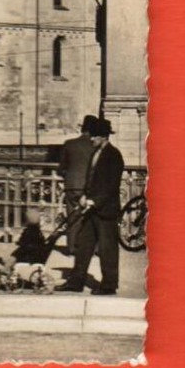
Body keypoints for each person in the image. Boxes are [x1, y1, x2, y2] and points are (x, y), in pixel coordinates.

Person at [58, 117, 125, 295]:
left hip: (105, 210)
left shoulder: (113, 155)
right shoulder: (96, 153)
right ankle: (76, 282)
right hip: (92, 208)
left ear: (103, 137)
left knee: (107, 248)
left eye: (94, 137)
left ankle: (109, 285)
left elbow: (111, 185)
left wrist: (94, 200)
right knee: (83, 245)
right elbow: (91, 180)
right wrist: (85, 196)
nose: (91, 139)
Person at [58, 114, 98, 254]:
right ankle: (89, 248)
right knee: (90, 218)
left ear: (82, 128)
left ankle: (71, 248)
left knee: (72, 217)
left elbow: (61, 168)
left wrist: (69, 177)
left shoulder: (69, 144)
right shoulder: (95, 146)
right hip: (89, 186)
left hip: (72, 185)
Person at [0, 208, 47, 281]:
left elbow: (22, 241)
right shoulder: (38, 232)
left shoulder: (28, 231)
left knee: (16, 255)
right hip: (37, 254)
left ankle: (6, 267)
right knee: (17, 253)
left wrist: (19, 242)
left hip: (29, 255)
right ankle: (8, 263)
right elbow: (41, 242)